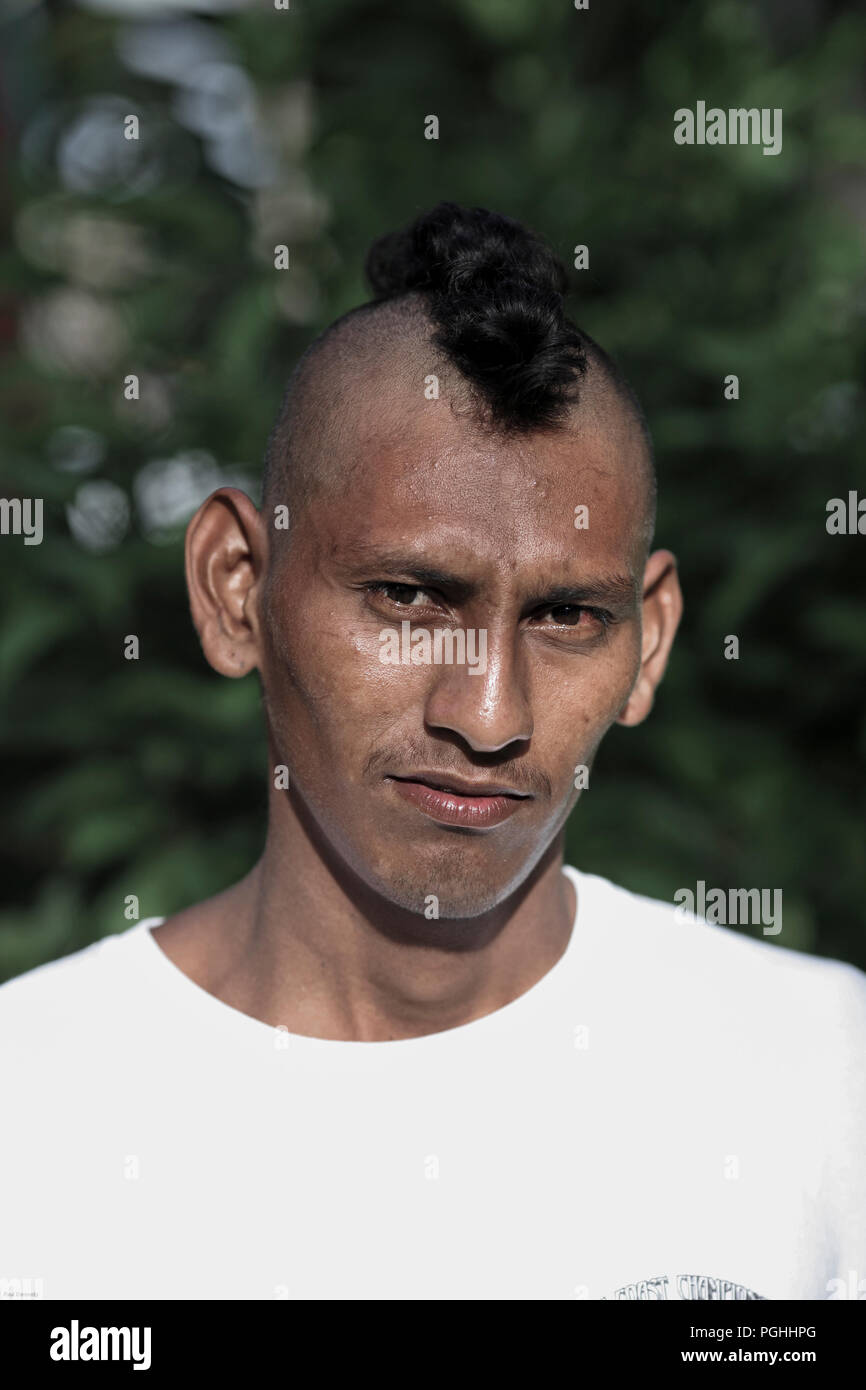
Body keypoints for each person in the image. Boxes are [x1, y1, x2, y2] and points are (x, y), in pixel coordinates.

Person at [1, 203, 863, 1302]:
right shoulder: (26, 1116)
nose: (490, 714)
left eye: (565, 618)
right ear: (234, 589)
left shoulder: (821, 1077)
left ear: (647, 644)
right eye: (408, 597)